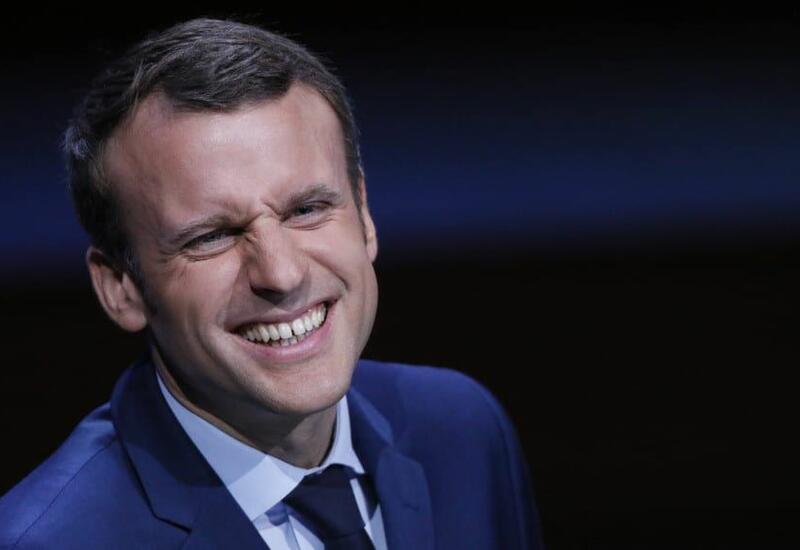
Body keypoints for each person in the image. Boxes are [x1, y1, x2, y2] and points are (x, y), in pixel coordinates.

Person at [0, 18, 541, 549]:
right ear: (121, 287)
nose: (281, 274)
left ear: (364, 213)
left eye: (307, 209)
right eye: (212, 237)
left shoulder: (462, 432)